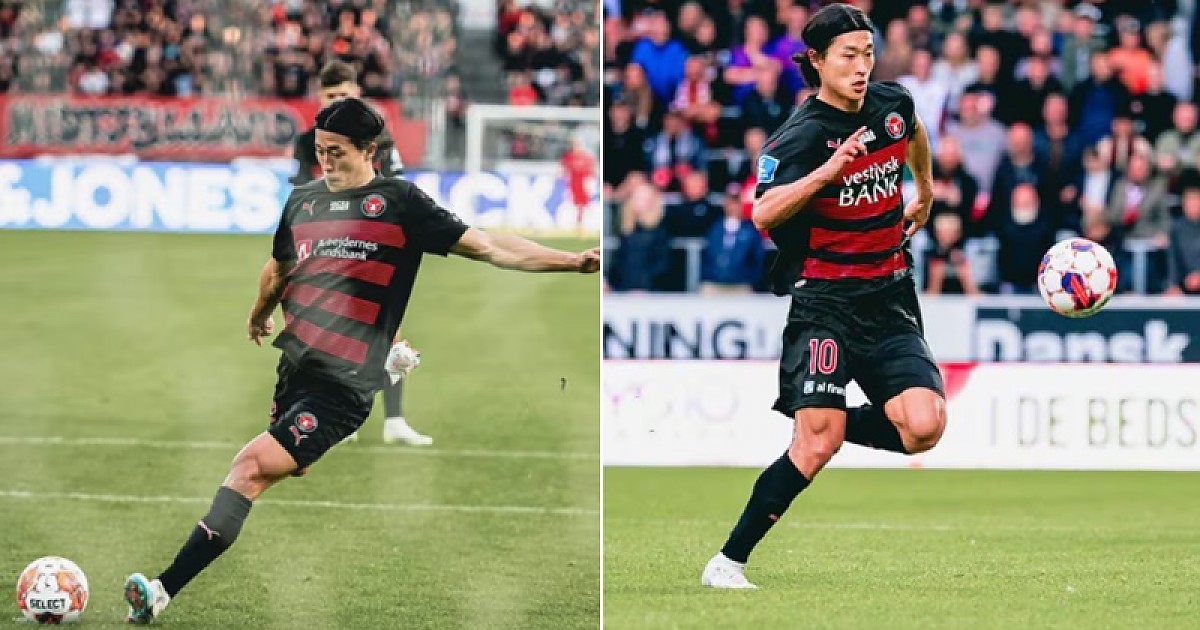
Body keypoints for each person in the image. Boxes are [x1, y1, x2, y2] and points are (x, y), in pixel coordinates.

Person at [123, 97, 601, 623]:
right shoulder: (303, 203)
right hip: (295, 368)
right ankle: (380, 371)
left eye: (337, 152)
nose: (325, 161)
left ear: (369, 150)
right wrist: (257, 315)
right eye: (320, 150)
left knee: (250, 469)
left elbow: (490, 247)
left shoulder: (400, 203)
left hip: (345, 384)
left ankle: (160, 590)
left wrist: (570, 261)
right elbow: (278, 268)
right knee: (280, 466)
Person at [700, 4, 946, 590]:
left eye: (868, 54)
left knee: (924, 426)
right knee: (814, 449)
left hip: (889, 299)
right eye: (848, 56)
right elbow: (763, 212)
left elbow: (912, 129)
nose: (862, 67)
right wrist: (825, 173)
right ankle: (727, 562)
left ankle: (826, 420)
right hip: (825, 305)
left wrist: (925, 188)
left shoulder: (892, 104)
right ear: (816, 61)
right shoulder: (802, 136)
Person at [290, 60, 430, 446]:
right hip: (327, 245)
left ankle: (393, 420)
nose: (338, 100)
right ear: (320, 98)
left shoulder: (378, 138)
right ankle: (344, 417)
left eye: (344, 93)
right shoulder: (308, 142)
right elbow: (300, 195)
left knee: (386, 330)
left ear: (357, 93)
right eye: (331, 95)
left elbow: (397, 188)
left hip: (374, 241)